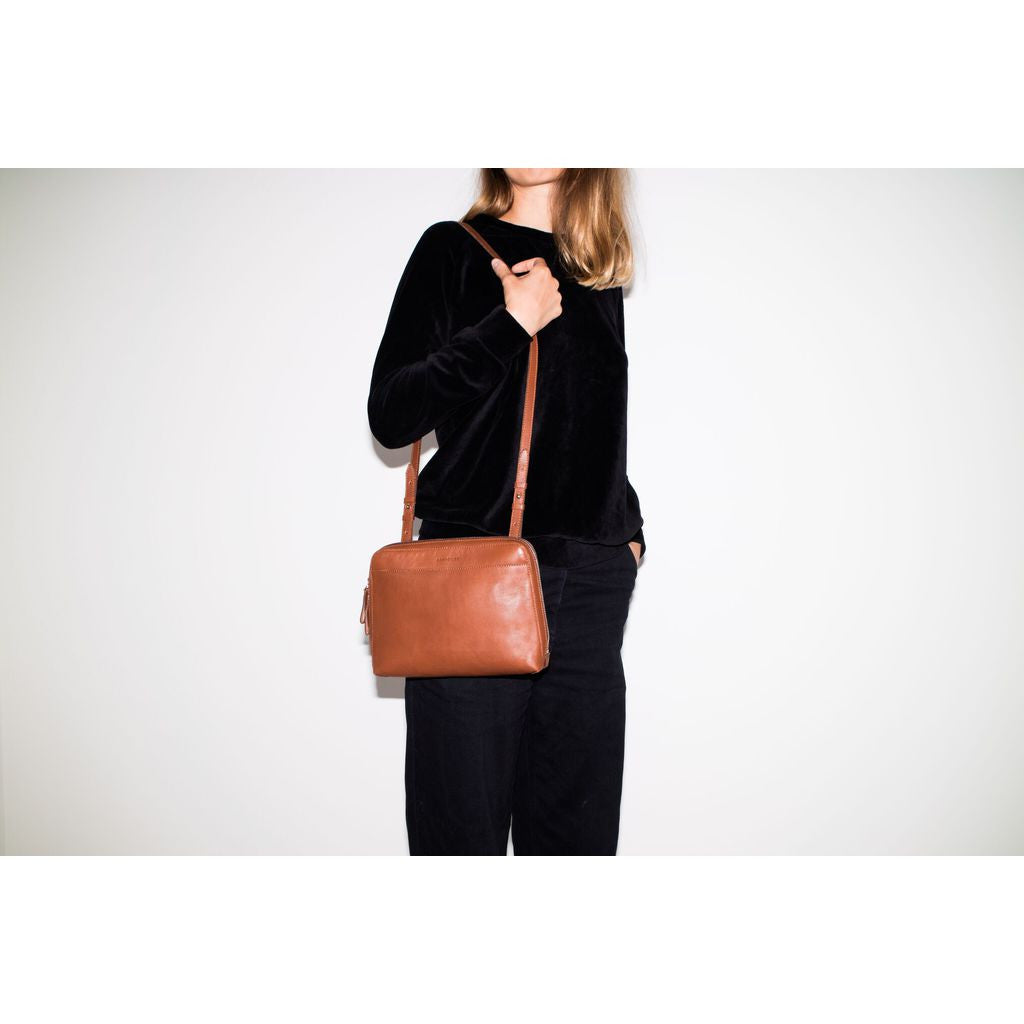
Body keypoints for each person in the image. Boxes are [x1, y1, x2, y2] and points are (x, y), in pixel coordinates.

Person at [367, 168, 646, 855]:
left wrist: (627, 528)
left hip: (589, 590)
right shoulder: (453, 250)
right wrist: (510, 323)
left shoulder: (596, 272)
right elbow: (392, 413)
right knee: (459, 840)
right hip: (474, 581)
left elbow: (583, 419)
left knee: (577, 847)